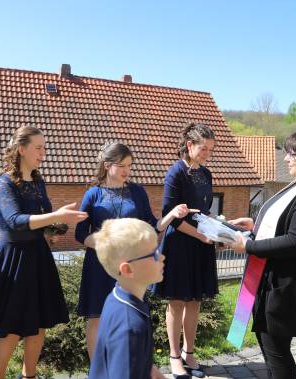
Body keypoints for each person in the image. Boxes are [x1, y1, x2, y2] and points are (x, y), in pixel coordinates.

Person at [0, 126, 88, 379]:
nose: (43, 153)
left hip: (38, 257)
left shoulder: (38, 182)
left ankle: (29, 376)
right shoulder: (3, 183)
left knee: (38, 325)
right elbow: (15, 220)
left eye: (44, 147)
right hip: (13, 259)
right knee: (10, 328)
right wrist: (55, 215)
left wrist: (56, 226)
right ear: (21, 149)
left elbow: (43, 218)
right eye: (39, 148)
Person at [227, 130, 296, 379]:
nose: (286, 158)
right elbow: (288, 224)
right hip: (271, 282)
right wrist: (255, 226)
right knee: (270, 347)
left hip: (286, 288)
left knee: (276, 352)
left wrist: (248, 246)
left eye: (292, 154)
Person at [75, 142, 194, 358]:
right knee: (97, 319)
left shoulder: (138, 192)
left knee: (128, 316)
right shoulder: (93, 194)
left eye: (129, 165)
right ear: (107, 165)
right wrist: (109, 245)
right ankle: (97, 371)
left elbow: (152, 225)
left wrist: (172, 215)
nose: (127, 171)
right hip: (99, 266)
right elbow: (80, 234)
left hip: (131, 267)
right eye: (122, 165)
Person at [152, 123, 218, 379]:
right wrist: (201, 235)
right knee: (177, 302)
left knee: (195, 301)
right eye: (203, 149)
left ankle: (190, 354)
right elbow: (172, 218)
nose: (206, 154)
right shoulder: (175, 173)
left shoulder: (207, 174)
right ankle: (174, 357)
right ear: (190, 145)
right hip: (179, 244)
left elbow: (203, 210)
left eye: (210, 150)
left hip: (201, 244)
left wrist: (218, 227)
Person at [88, 218, 167, 379]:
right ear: (128, 269)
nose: (162, 257)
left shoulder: (116, 297)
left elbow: (141, 362)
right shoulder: (130, 327)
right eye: (154, 253)